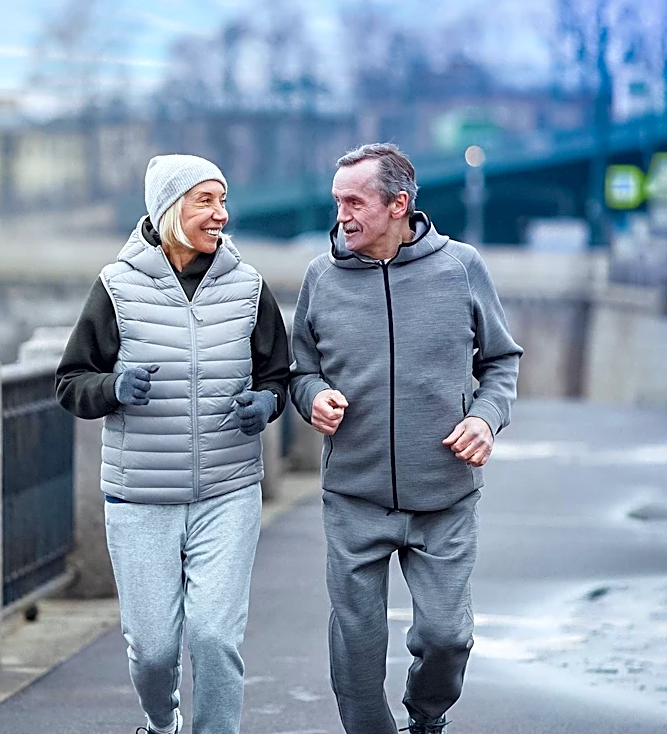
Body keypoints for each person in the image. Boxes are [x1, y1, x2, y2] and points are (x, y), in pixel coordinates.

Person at [290, 143, 522, 734]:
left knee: (447, 636)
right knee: (358, 644)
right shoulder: (321, 277)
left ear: (398, 205)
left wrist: (485, 418)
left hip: (444, 494)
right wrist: (312, 396)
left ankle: (427, 718)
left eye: (354, 202)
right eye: (337, 201)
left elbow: (501, 361)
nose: (341, 215)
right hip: (354, 493)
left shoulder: (461, 267)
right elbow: (299, 369)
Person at [56, 154, 290, 734]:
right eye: (205, 201)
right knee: (154, 649)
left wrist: (266, 403)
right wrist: (113, 388)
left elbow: (278, 375)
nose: (221, 214)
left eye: (222, 200)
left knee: (214, 637)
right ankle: (162, 723)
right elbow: (70, 382)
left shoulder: (248, 286)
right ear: (168, 209)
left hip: (228, 491)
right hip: (139, 497)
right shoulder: (116, 287)